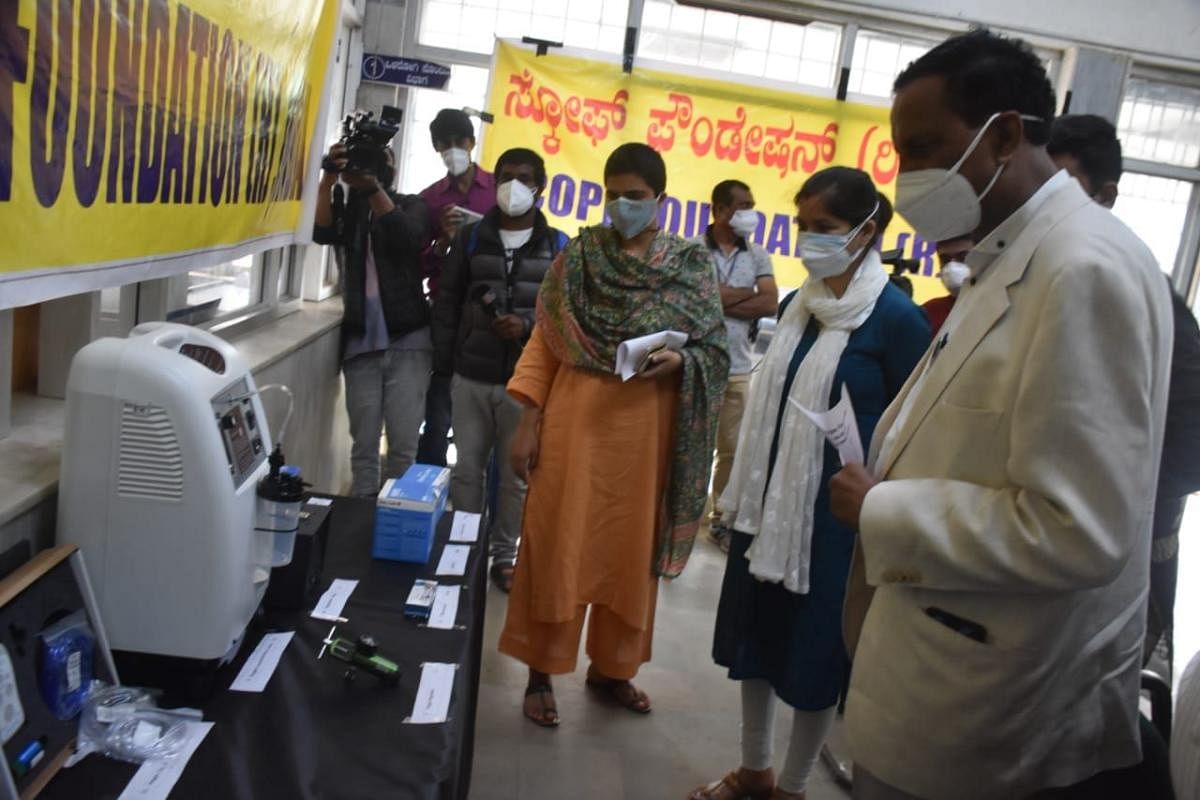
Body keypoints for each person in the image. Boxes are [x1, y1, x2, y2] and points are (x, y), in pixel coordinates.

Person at [830, 30, 1173, 800]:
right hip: (942, 662)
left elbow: (1078, 528)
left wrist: (885, 508)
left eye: (924, 148)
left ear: (1006, 135)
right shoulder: (1008, 251)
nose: (910, 177)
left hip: (997, 701)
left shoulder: (1082, 268)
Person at [692, 167, 930, 800]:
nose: (808, 241)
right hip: (770, 505)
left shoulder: (897, 320)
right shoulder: (803, 301)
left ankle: (792, 788)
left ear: (865, 233)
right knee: (761, 637)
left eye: (823, 229)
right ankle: (753, 769)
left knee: (817, 651)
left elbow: (918, 429)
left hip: (836, 523)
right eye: (802, 227)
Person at [500, 143, 728, 727]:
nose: (623, 205)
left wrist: (683, 363)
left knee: (629, 558)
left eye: (636, 196)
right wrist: (528, 420)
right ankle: (540, 671)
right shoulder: (580, 258)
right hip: (574, 424)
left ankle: (613, 669)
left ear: (661, 200)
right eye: (614, 194)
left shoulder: (690, 265)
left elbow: (712, 350)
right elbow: (545, 340)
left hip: (644, 437)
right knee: (557, 546)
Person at [1049, 113, 1200, 674]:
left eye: (1061, 187)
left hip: (1127, 548)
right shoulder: (1045, 271)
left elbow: (1192, 436)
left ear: (1105, 194)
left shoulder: (1137, 286)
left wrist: (1105, 493)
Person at [431, 148, 566, 594]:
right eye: (506, 176)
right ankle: (466, 547)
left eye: (525, 178)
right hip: (470, 375)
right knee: (467, 469)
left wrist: (526, 326)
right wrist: (446, 362)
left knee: (515, 478)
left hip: (525, 386)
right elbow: (446, 300)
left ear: (540, 188)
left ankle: (505, 556)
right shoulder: (471, 238)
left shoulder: (559, 246)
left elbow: (563, 315)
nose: (514, 185)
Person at [313, 140, 432, 497]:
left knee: (403, 446)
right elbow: (321, 232)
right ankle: (361, 520)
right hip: (361, 342)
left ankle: (397, 523)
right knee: (363, 447)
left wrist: (374, 189)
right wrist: (328, 179)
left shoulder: (412, 205)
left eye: (380, 162)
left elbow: (408, 238)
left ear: (390, 170)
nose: (371, 168)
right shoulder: (348, 210)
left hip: (409, 340)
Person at [694, 179, 779, 552]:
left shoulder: (758, 254)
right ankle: (679, 520)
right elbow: (689, 300)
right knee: (691, 446)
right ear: (719, 210)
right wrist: (746, 295)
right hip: (696, 364)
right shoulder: (692, 251)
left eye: (751, 204)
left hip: (739, 368)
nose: (749, 212)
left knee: (731, 450)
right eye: (742, 205)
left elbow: (771, 303)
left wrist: (716, 297)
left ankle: (720, 521)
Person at [417, 109, 497, 467]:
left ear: (472, 142)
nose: (453, 150)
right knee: (438, 414)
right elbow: (419, 264)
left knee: (488, 410)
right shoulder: (430, 199)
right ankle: (429, 486)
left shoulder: (498, 190)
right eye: (444, 144)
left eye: (458, 142)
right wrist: (444, 242)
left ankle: (476, 492)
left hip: (490, 313)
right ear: (436, 148)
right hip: (446, 313)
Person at [920, 236, 971, 335]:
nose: (952, 267)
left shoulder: (1003, 302)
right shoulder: (929, 312)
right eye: (945, 260)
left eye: (963, 257)